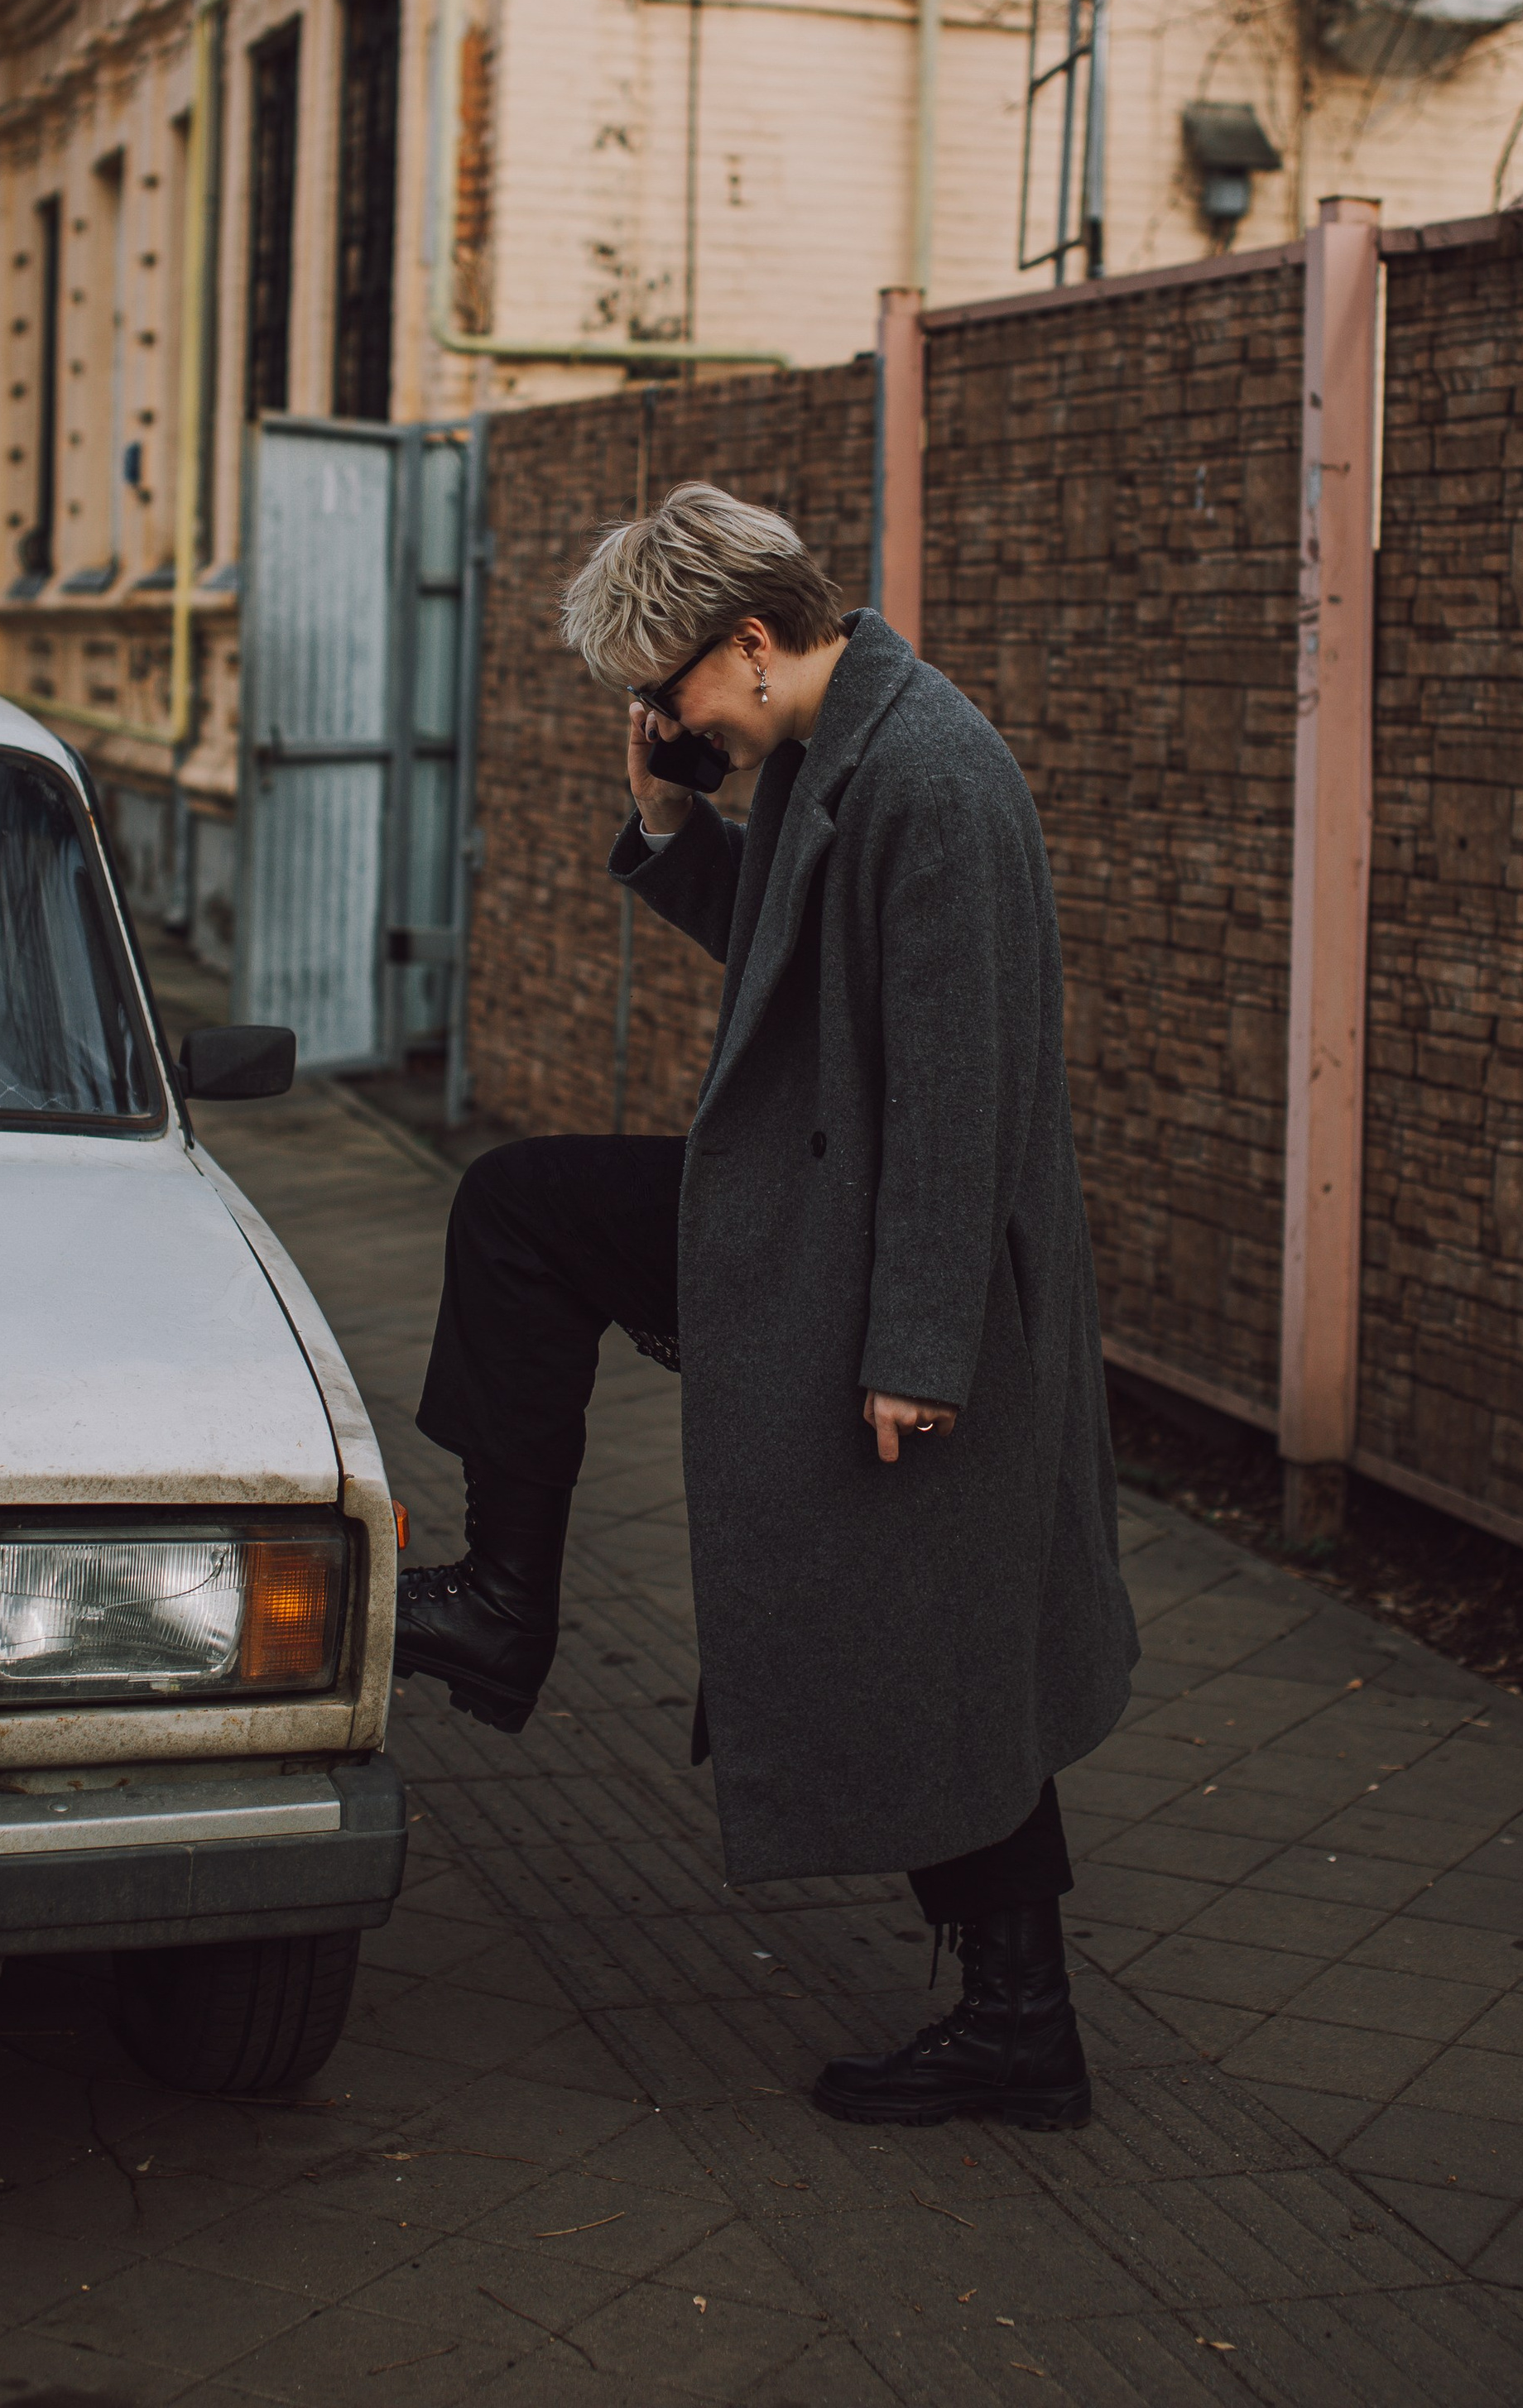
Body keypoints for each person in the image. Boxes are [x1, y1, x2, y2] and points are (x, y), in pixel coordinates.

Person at [396, 482, 1140, 2127]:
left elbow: (958, 1089)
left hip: (891, 1264)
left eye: (662, 691)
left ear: (746, 639)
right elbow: (798, 951)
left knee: (932, 1632)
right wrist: (670, 825)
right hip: (819, 1219)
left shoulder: (928, 781)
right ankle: (506, 1597)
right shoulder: (828, 746)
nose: (654, 718)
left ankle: (1021, 2025)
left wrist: (915, 1346)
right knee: (521, 1211)